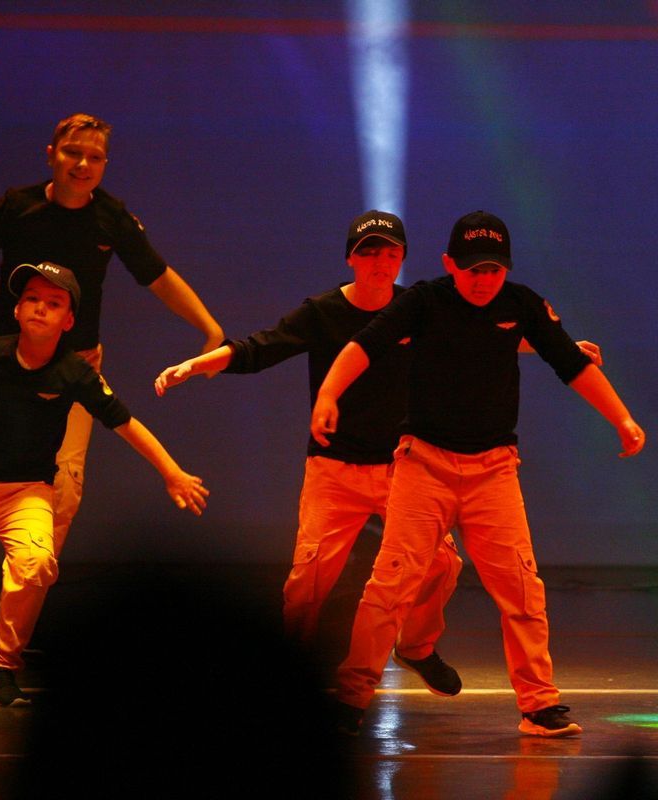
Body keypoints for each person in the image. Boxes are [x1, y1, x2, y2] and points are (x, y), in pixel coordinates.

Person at [311, 210, 645, 738]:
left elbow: (571, 363)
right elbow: (363, 346)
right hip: (424, 464)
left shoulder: (522, 305)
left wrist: (621, 418)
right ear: (450, 264)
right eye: (473, 270)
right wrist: (328, 395)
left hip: (494, 470)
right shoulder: (424, 301)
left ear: (506, 268)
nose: (483, 280)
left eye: (493, 270)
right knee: (391, 583)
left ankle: (538, 705)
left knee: (522, 587)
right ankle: (352, 696)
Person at [0, 113, 223, 648]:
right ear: (51, 155)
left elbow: (157, 276)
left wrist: (209, 328)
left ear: (105, 164)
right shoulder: (16, 208)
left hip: (73, 369)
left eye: (95, 157)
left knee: (60, 496)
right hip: (0, 365)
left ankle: (10, 641)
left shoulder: (110, 218)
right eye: (72, 153)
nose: (83, 164)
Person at [154, 210, 465, 694]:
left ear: (402, 258)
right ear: (350, 259)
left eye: (390, 253)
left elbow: (481, 338)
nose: (380, 262)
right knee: (308, 580)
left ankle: (417, 647)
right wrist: (196, 365)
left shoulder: (414, 310)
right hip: (334, 469)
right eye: (369, 252)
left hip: (399, 468)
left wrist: (559, 348)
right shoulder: (324, 312)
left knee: (443, 563)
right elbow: (261, 347)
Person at [0, 262, 209, 706]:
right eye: (32, 299)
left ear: (69, 320)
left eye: (53, 303)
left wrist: (171, 472)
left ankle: (1, 668)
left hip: (26, 493)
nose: (40, 308)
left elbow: (124, 422)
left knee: (37, 563)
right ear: (16, 310)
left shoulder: (74, 372)